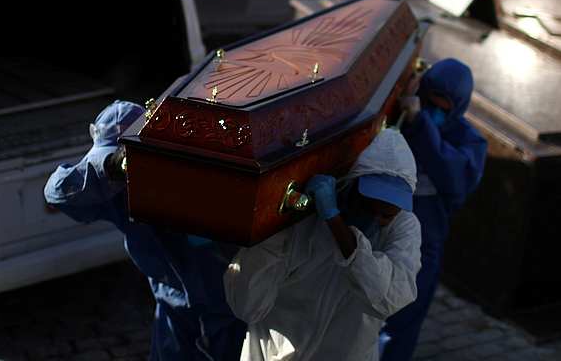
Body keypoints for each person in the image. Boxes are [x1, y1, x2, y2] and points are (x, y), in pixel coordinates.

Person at [44, 100, 246, 361]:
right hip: (172, 302)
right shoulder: (115, 190)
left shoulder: (186, 172)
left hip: (222, 299)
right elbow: (56, 192)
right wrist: (107, 168)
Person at [224, 128, 421, 361]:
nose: (378, 218)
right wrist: (276, 226)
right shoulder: (305, 221)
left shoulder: (405, 227)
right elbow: (246, 305)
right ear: (353, 186)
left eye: (388, 214)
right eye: (372, 207)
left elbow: (387, 298)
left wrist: (336, 224)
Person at [380, 59, 487, 361]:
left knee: (401, 324)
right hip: (382, 233)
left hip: (423, 248)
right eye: (431, 104)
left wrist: (421, 124)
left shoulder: (470, 142)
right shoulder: (405, 120)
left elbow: (454, 176)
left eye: (444, 108)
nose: (435, 112)